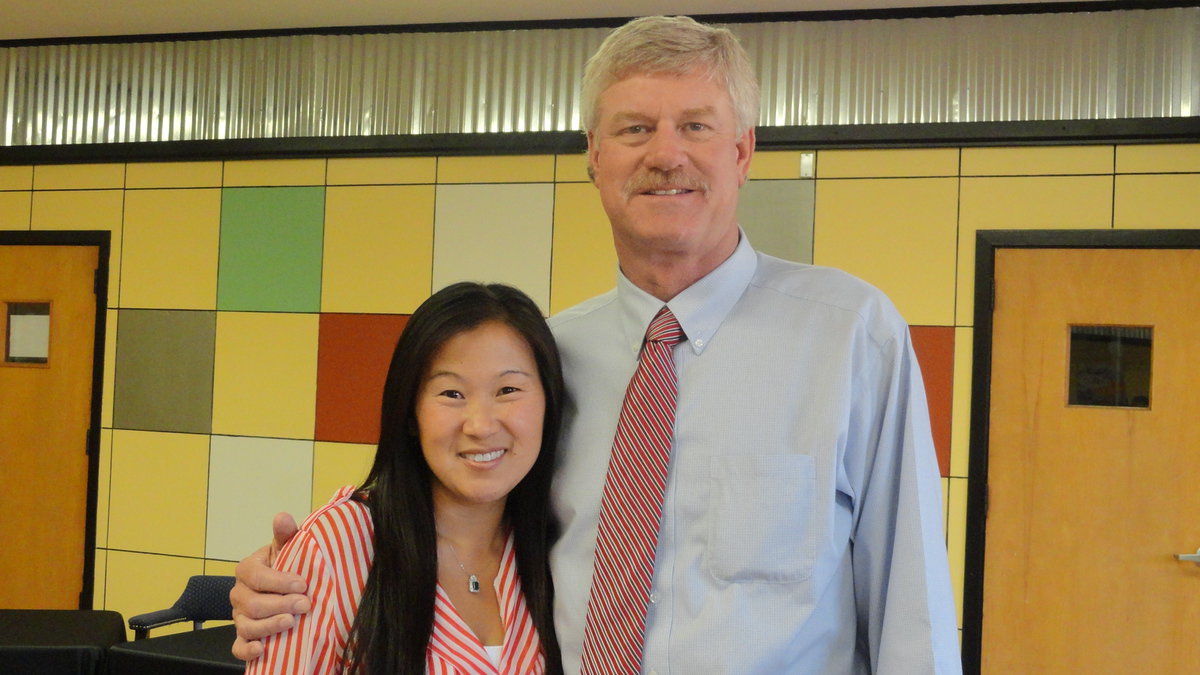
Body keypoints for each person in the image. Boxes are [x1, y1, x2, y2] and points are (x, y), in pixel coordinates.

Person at [232, 15, 961, 673]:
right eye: (635, 129)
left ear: (743, 151)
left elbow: (913, 616)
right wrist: (293, 576)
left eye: (697, 126)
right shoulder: (545, 361)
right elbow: (440, 526)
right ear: (593, 156)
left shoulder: (850, 334)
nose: (665, 154)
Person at [245, 282, 564, 674]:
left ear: (549, 402)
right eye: (451, 393)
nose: (480, 426)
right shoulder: (339, 546)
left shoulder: (559, 549)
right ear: (411, 412)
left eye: (508, 389)